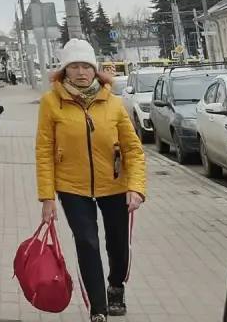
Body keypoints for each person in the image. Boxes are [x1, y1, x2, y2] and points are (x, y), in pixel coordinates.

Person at [35, 39, 147, 322]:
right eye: (74, 66)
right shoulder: (51, 102)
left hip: (114, 183)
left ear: (95, 69)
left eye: (86, 66)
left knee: (117, 243)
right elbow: (44, 150)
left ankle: (116, 285)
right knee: (87, 242)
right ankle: (98, 308)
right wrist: (47, 197)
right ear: (64, 70)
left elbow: (133, 149)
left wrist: (136, 187)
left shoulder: (114, 103)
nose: (81, 72)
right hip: (72, 187)